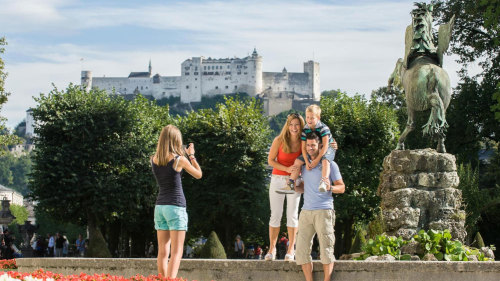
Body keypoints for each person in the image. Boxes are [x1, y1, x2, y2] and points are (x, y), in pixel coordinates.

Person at [152, 124, 202, 278]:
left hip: (160, 207)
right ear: (176, 140)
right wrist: (191, 155)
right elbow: (198, 174)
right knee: (177, 251)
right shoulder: (179, 160)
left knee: (162, 250)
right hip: (175, 206)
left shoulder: (153, 159)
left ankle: (162, 279)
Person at [295, 131, 345, 281]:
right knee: (301, 251)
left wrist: (330, 188)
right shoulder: (304, 166)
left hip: (324, 210)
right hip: (306, 212)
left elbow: (341, 188)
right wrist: (295, 187)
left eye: (313, 145)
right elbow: (304, 187)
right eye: (308, 145)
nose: (310, 148)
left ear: (320, 146)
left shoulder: (330, 165)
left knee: (326, 249)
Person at [284, 105, 337, 193]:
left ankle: (323, 182)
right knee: (297, 161)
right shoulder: (305, 129)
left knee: (325, 161)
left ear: (318, 118)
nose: (309, 120)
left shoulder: (324, 128)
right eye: (307, 117)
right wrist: (307, 161)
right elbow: (303, 148)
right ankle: (291, 183)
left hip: (327, 148)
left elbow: (326, 146)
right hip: (312, 148)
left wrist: (316, 160)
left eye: (312, 118)